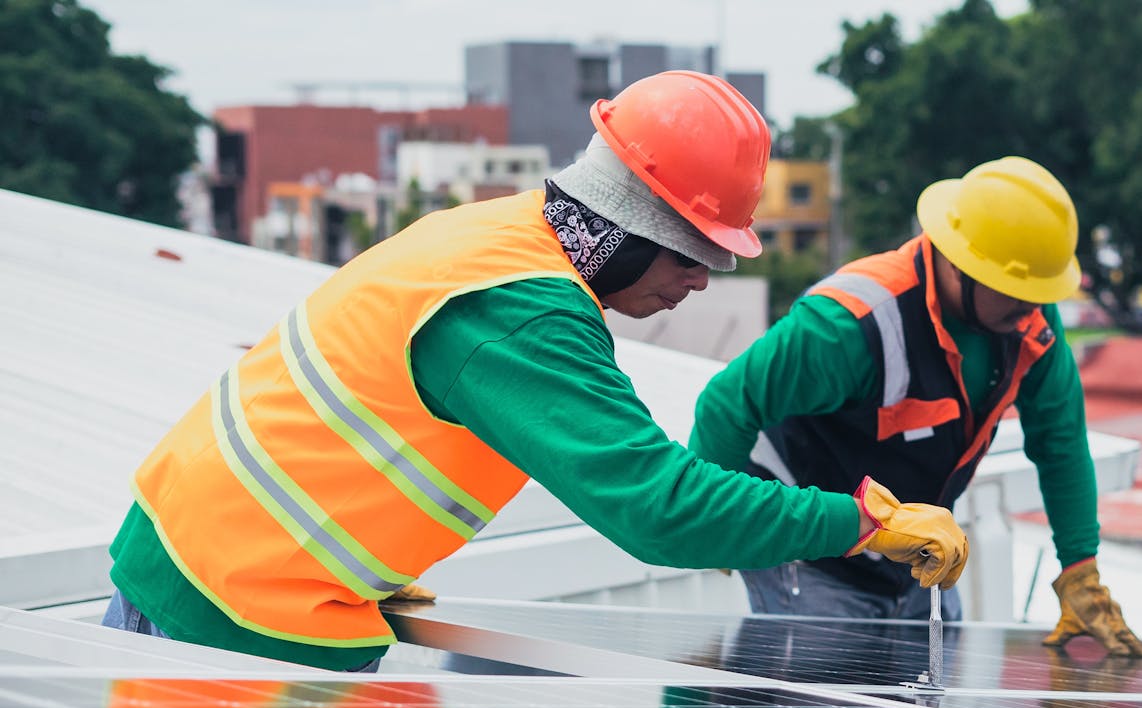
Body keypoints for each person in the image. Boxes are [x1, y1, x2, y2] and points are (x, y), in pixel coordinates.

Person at [99, 71, 967, 671]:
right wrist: (861, 521)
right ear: (631, 221)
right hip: (229, 612)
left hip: (219, 568)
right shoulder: (522, 312)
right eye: (695, 252)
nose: (701, 281)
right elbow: (658, 510)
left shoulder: (499, 235)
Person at [688, 156, 1142, 657]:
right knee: (825, 700)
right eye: (1019, 292)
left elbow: (1060, 444)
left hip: (916, 560)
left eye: (1040, 294)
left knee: (921, 700)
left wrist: (1080, 569)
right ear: (960, 264)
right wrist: (720, 527)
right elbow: (727, 404)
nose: (1033, 309)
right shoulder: (850, 323)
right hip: (812, 557)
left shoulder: (1029, 326)